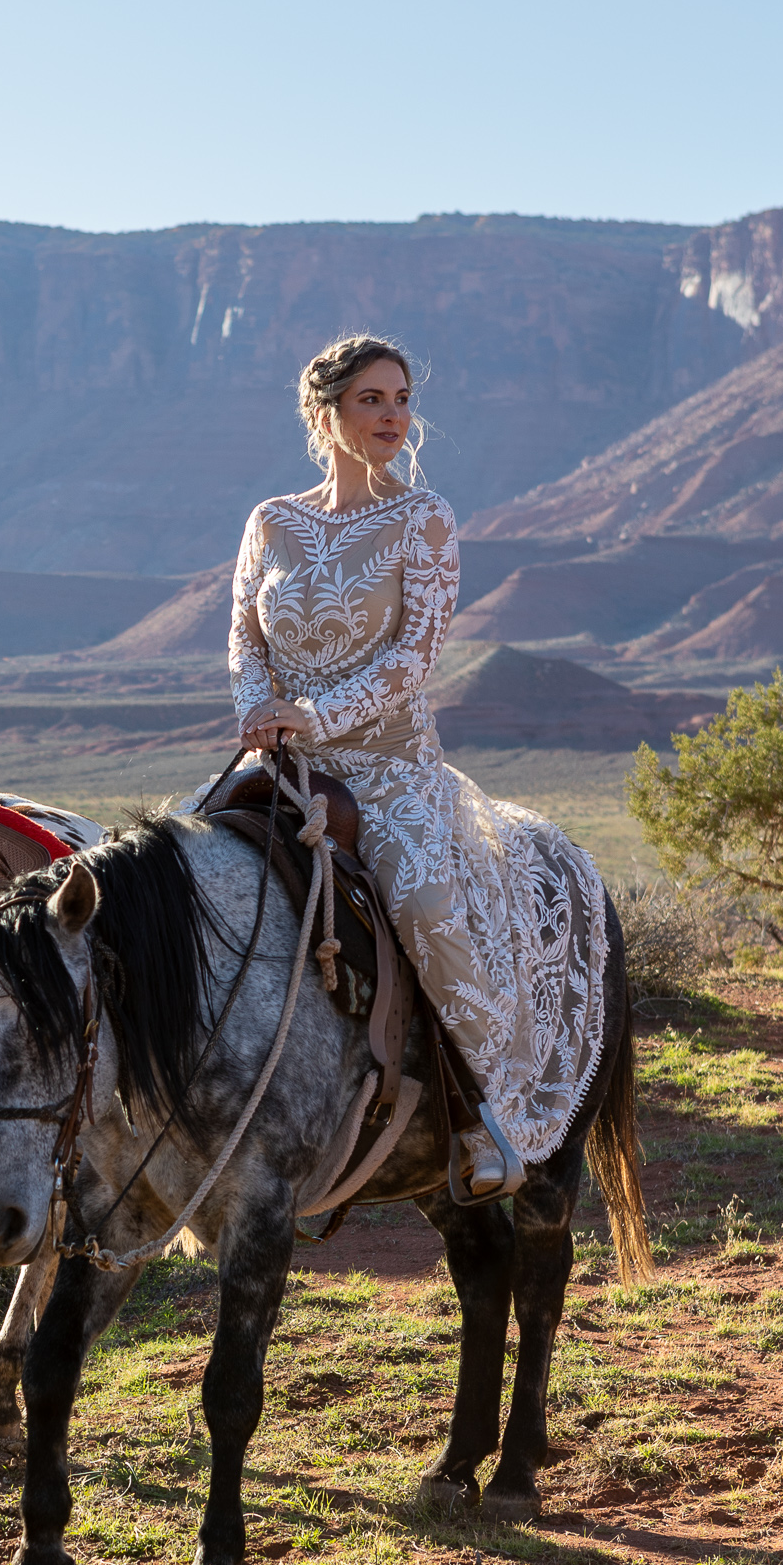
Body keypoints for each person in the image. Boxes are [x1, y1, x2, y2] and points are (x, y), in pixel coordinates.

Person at [228, 333, 607, 1197]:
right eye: (371, 399)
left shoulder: (422, 519)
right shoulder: (271, 521)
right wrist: (258, 708)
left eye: (400, 399)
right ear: (326, 414)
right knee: (176, 871)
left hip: (388, 770)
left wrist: (317, 713)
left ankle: (484, 1118)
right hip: (282, 763)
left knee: (428, 904)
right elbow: (245, 633)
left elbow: (414, 657)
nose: (393, 414)